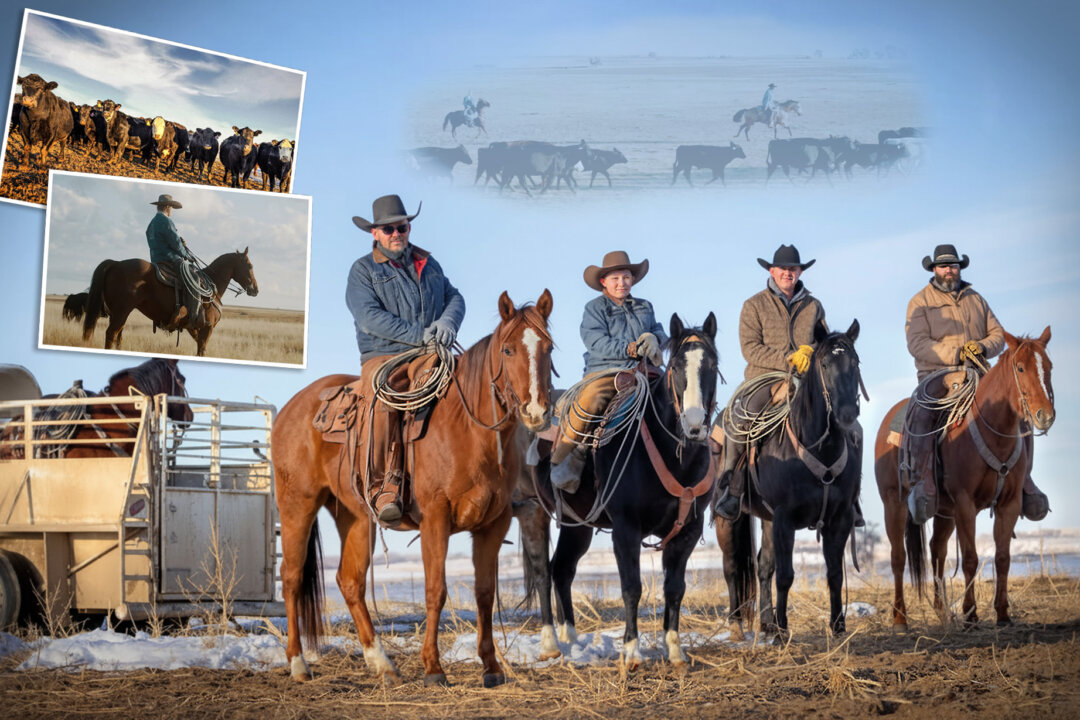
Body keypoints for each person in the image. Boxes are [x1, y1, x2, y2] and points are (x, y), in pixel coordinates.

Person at [903, 244, 1049, 524]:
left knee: (1017, 410)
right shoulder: (919, 302)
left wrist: (980, 347)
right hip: (937, 374)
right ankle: (925, 484)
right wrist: (957, 351)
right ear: (934, 269)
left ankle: (1025, 480)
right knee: (923, 413)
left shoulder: (976, 299)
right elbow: (917, 343)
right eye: (944, 265)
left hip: (979, 371)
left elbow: (998, 334)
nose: (949, 270)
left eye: (954, 265)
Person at [346, 194, 465, 525]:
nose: (397, 233)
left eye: (402, 226)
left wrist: (447, 323)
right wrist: (420, 336)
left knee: (471, 386)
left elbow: (454, 296)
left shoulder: (429, 263)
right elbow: (369, 317)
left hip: (430, 352)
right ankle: (383, 484)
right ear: (375, 233)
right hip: (383, 357)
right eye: (389, 229)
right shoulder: (363, 271)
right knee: (386, 398)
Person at [713, 244, 829, 520]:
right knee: (741, 420)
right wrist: (788, 358)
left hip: (806, 378)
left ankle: (847, 495)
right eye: (783, 269)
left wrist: (810, 352)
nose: (788, 273)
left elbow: (824, 341)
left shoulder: (814, 306)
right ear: (771, 271)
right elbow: (750, 348)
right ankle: (732, 487)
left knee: (842, 418)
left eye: (793, 269)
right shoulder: (754, 305)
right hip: (763, 378)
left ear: (800, 272)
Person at [549, 251, 666, 492]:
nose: (621, 283)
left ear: (632, 279)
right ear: (604, 282)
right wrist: (630, 348)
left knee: (679, 393)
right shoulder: (594, 309)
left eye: (626, 277)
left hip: (645, 372)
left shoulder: (645, 306)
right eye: (616, 279)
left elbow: (660, 332)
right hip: (605, 372)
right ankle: (572, 453)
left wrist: (655, 338)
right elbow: (595, 342)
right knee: (592, 401)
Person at [145, 193, 199, 330]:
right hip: (170, 259)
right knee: (194, 277)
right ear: (168, 207)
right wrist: (186, 255)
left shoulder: (151, 224)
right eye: (172, 207)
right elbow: (175, 242)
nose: (172, 211)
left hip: (156, 261)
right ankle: (193, 316)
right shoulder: (166, 221)